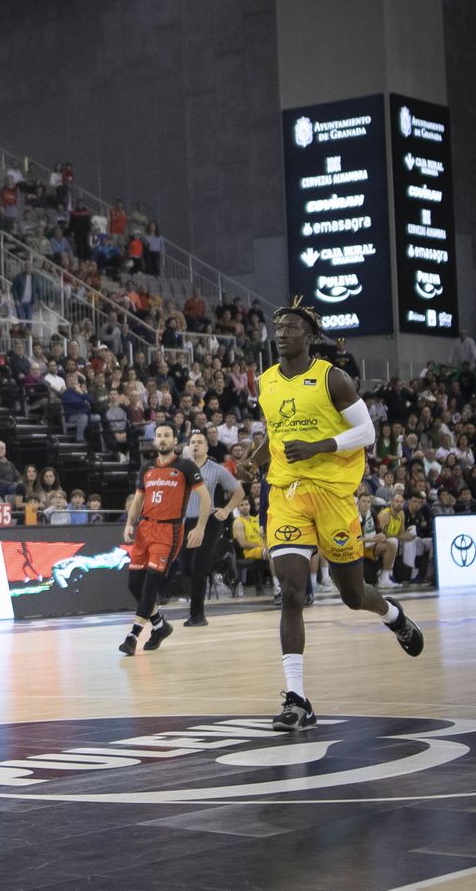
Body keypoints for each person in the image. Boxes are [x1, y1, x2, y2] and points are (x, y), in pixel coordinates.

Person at [239, 299, 423, 731]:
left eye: (291, 327)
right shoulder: (266, 382)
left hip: (334, 495)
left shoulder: (332, 379)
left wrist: (321, 447)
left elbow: (367, 432)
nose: (282, 332)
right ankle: (297, 698)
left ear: (309, 336)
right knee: (290, 590)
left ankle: (392, 615)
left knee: (353, 596)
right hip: (286, 493)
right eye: (278, 327)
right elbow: (276, 431)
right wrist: (255, 458)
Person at [118, 425, 209, 656]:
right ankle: (159, 625)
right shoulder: (146, 468)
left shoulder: (185, 466)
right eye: (158, 435)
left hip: (169, 531)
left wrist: (200, 527)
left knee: (151, 585)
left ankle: (133, 635)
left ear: (175, 440)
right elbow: (138, 501)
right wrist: (130, 523)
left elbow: (206, 499)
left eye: (167, 435)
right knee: (134, 584)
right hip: (145, 528)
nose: (162, 439)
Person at [181, 430, 245, 626]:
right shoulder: (182, 468)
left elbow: (239, 491)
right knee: (186, 567)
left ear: (207, 448)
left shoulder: (216, 469)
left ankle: (198, 615)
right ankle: (222, 565)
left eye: (200, 442)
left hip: (209, 521)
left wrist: (226, 510)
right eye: (192, 442)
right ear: (188, 446)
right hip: (186, 521)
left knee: (198, 566)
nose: (196, 445)